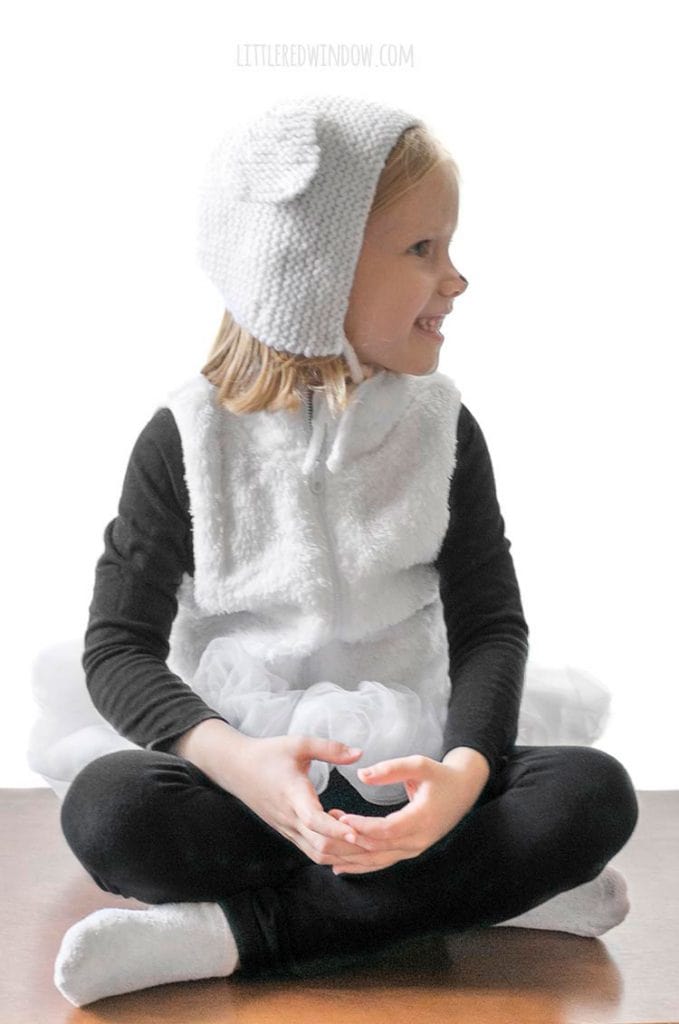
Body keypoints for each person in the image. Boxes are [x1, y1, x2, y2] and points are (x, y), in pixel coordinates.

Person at [53, 94, 639, 1007]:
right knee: (112, 812)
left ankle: (242, 936)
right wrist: (237, 762)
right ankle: (479, 893)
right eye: (422, 250)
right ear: (314, 271)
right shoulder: (186, 438)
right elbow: (116, 649)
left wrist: (459, 777)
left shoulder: (443, 428)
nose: (456, 280)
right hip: (256, 787)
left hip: (411, 769)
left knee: (593, 794)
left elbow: (491, 626)